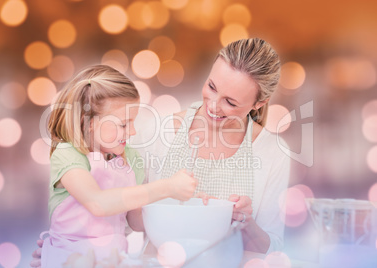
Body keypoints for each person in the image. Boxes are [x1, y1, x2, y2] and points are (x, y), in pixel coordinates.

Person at [132, 37, 290, 254]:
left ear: (258, 103)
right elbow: (125, 221)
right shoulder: (157, 132)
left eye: (231, 102)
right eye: (211, 87)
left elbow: (274, 248)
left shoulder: (273, 152)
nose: (213, 105)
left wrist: (246, 224)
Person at [34, 65, 198, 268]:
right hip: (66, 258)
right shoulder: (68, 154)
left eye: (133, 122)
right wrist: (167, 187)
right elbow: (98, 203)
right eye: (123, 124)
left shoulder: (129, 158)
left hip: (111, 259)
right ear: (89, 122)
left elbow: (137, 222)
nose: (132, 131)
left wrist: (189, 207)